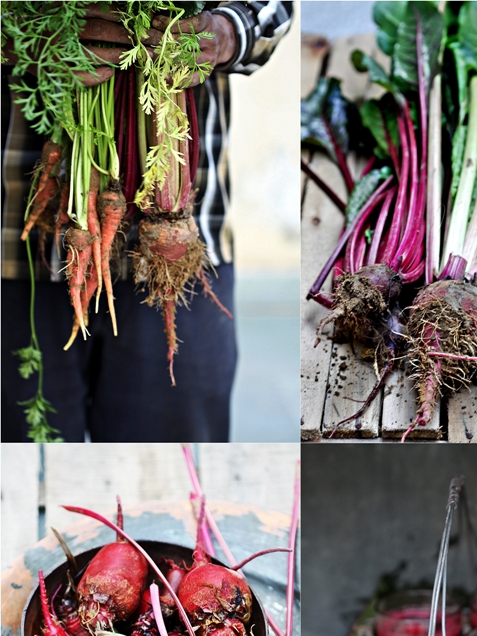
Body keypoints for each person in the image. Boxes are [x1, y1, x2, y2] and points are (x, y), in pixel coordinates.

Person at [1, 1, 293, 442]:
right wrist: (18, 35)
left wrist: (228, 31)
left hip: (184, 244)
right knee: (19, 474)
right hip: (14, 241)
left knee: (173, 474)